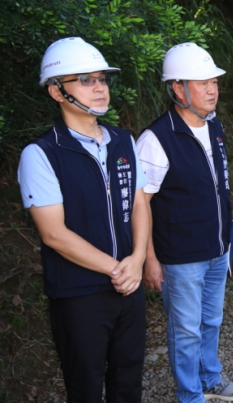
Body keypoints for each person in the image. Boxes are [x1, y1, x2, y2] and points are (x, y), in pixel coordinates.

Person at [17, 37, 149, 401]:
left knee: (129, 380)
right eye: (86, 80)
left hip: (129, 283)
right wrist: (117, 268)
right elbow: (54, 233)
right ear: (57, 92)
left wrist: (137, 259)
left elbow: (138, 203)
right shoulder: (42, 154)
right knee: (86, 386)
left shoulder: (124, 141)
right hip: (79, 293)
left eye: (102, 79)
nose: (99, 88)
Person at [137, 43, 233, 402]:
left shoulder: (213, 128)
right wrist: (149, 258)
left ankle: (210, 377)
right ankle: (189, 394)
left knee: (211, 321)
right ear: (178, 88)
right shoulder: (157, 139)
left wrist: (226, 242)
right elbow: (142, 204)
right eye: (202, 83)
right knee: (185, 329)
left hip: (216, 249)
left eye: (214, 81)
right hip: (180, 257)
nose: (212, 89)